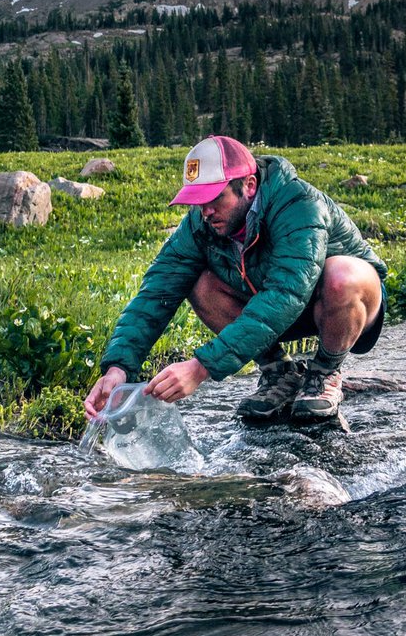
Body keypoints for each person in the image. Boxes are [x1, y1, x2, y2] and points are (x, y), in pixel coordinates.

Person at [85, 135, 387, 423]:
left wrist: (201, 367)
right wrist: (118, 368)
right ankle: (280, 374)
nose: (205, 211)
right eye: (197, 201)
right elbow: (156, 293)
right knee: (198, 282)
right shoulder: (199, 224)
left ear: (249, 186)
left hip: (338, 307)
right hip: (272, 314)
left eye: (214, 198)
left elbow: (286, 293)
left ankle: (324, 373)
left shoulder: (298, 204)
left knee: (342, 276)